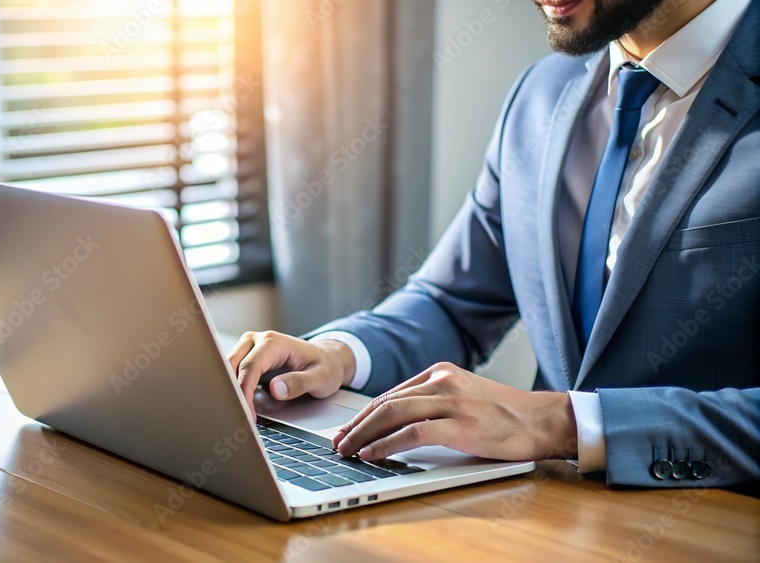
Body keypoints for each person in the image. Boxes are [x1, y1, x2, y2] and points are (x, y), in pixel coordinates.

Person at [229, 0, 760, 487]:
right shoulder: (541, 94)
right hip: (551, 518)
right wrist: (339, 355)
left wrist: (563, 423)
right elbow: (453, 302)